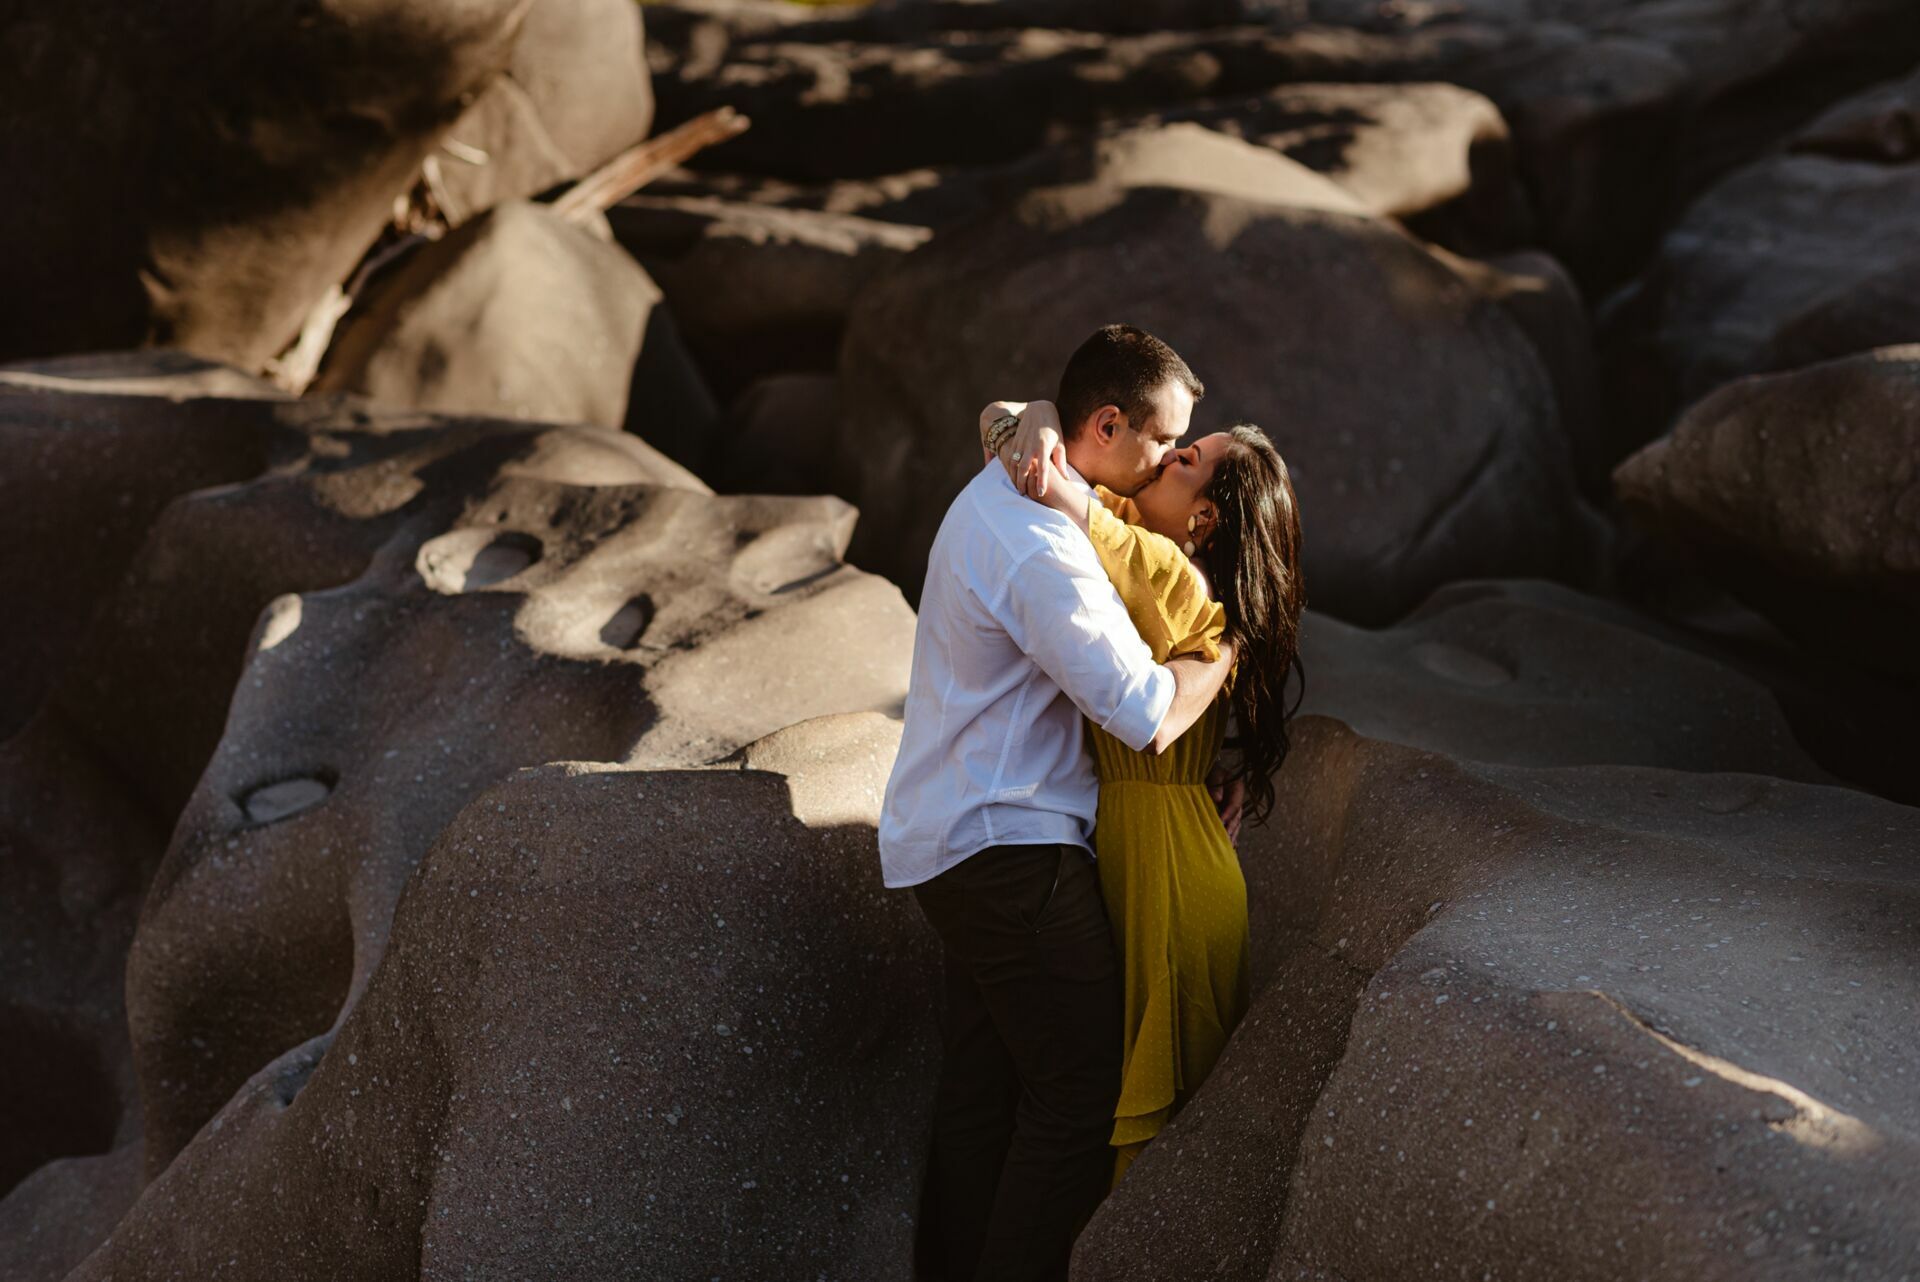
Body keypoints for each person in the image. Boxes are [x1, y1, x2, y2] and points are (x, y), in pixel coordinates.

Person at [879, 324, 1233, 1282]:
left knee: (986, 1092)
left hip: (953, 838)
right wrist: (1216, 659)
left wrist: (1027, 416)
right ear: (1107, 424)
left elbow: (1015, 420)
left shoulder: (1018, 484)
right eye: (1163, 442)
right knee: (1078, 1100)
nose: (1164, 462)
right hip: (1011, 848)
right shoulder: (1044, 549)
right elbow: (1143, 714)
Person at [977, 399, 1306, 1185]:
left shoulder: (1172, 573)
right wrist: (1046, 419)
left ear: (1204, 522)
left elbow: (1093, 519)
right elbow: (1000, 418)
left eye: (1188, 459)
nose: (1167, 455)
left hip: (1173, 878)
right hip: (1149, 846)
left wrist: (1053, 470)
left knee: (1159, 1147)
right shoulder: (1149, 544)